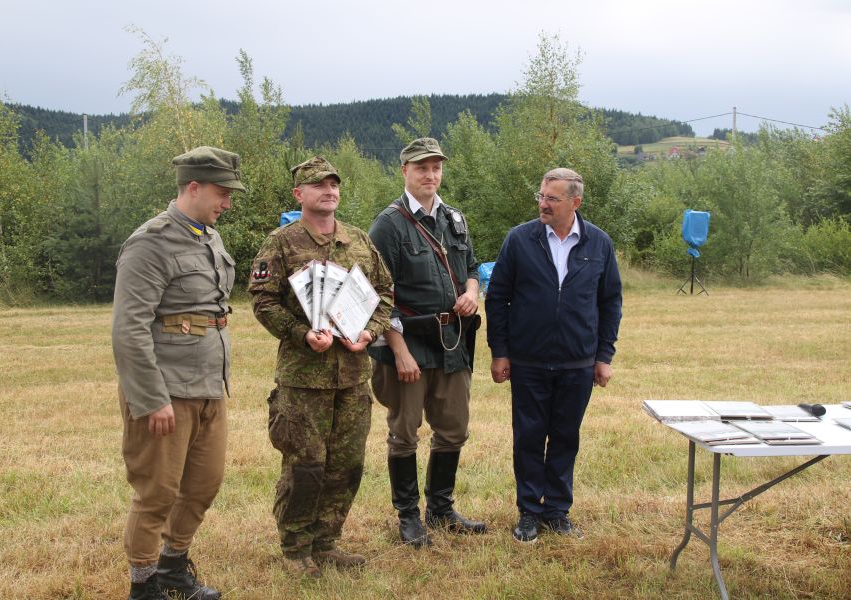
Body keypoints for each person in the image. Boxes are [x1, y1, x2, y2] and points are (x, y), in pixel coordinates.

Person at [248, 156, 393, 579]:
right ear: (299, 194)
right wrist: (300, 333)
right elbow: (263, 301)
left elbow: (384, 291)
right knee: (305, 465)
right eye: (318, 185)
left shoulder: (358, 240)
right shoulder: (281, 242)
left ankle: (327, 542)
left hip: (353, 374)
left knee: (346, 464)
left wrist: (369, 332)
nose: (329, 191)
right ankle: (296, 547)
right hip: (303, 377)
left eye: (334, 185)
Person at [112, 146, 245, 600]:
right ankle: (143, 585)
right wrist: (151, 399)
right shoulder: (150, 242)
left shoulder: (209, 237)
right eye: (222, 192)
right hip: (167, 389)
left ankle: (172, 568)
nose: (227, 202)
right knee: (157, 493)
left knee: (203, 485)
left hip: (209, 385)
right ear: (193, 187)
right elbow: (129, 330)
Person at [485, 167, 622, 543]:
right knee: (528, 437)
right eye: (541, 197)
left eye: (552, 199)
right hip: (528, 360)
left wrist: (604, 356)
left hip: (578, 362)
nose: (543, 204)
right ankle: (529, 512)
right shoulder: (519, 239)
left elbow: (610, 302)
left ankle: (557, 511)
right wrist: (500, 352)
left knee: (565, 437)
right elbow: (497, 298)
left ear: (575, 202)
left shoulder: (599, 243)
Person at [368, 137, 486, 548]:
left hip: (452, 341)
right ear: (405, 171)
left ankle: (440, 509)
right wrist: (399, 352)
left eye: (436, 167)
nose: (430, 175)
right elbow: (377, 294)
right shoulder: (388, 224)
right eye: (421, 168)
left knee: (453, 428)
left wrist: (472, 291)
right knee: (404, 432)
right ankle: (408, 518)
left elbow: (472, 267)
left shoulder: (455, 219)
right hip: (409, 342)